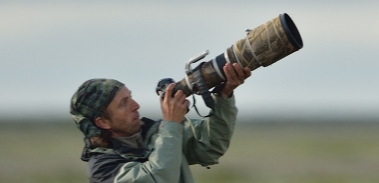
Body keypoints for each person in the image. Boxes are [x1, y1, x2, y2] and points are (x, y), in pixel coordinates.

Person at [70, 62, 251, 183]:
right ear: (103, 122)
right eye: (123, 103)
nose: (136, 105)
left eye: (130, 97)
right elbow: (158, 178)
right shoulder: (103, 170)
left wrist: (223, 95)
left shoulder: (156, 133)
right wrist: (171, 123)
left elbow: (210, 147)